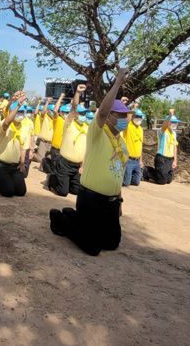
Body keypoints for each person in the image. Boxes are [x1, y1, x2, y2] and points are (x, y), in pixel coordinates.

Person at [49, 69, 130, 256]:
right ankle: (60, 219)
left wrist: (120, 201)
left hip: (111, 203)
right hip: (92, 198)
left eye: (125, 115)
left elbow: (118, 173)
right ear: (109, 116)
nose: (124, 119)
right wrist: (117, 82)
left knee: (111, 243)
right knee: (93, 247)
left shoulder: (121, 143)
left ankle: (75, 217)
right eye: (119, 115)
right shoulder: (98, 132)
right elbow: (101, 112)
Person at [47, 85, 89, 196]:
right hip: (65, 163)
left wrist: (83, 166)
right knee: (63, 192)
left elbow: (86, 149)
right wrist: (78, 93)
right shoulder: (68, 123)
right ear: (75, 115)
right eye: (81, 113)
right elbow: (74, 107)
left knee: (76, 191)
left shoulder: (87, 128)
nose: (83, 116)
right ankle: (52, 179)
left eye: (85, 113)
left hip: (77, 166)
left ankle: (65, 181)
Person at [0, 96, 30, 197]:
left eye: (22, 112)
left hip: (14, 166)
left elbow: (24, 147)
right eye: (18, 112)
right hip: (0, 165)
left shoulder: (25, 128)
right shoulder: (5, 124)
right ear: (12, 113)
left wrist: (22, 162)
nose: (20, 114)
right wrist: (18, 105)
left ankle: (4, 180)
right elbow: (6, 122)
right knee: (8, 192)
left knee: (21, 192)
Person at [143, 109, 179, 185]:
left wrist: (175, 160)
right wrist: (170, 115)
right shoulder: (162, 131)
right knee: (162, 181)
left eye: (176, 123)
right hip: (161, 157)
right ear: (168, 122)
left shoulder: (174, 133)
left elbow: (175, 148)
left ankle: (159, 174)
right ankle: (147, 170)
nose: (175, 124)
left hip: (170, 159)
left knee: (168, 180)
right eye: (173, 122)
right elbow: (164, 125)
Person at [43, 94, 66, 174]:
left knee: (60, 170)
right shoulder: (57, 119)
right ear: (61, 113)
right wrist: (61, 97)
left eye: (68, 112)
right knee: (54, 169)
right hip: (56, 149)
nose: (66, 114)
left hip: (64, 150)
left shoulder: (70, 123)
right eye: (65, 112)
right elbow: (55, 110)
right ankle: (50, 183)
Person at [122, 108, 145, 186]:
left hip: (137, 160)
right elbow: (127, 119)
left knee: (136, 182)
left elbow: (140, 145)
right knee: (126, 183)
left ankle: (126, 174)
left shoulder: (141, 129)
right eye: (136, 116)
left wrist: (141, 160)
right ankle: (121, 176)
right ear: (133, 117)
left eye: (140, 117)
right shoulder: (128, 126)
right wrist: (132, 109)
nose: (138, 118)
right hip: (129, 159)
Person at [35, 98, 54, 164]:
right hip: (43, 142)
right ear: (48, 110)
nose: (53, 112)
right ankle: (31, 155)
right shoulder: (44, 117)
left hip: (51, 143)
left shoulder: (55, 120)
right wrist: (47, 102)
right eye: (51, 110)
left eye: (54, 111)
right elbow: (42, 112)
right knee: (40, 159)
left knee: (48, 160)